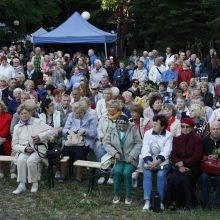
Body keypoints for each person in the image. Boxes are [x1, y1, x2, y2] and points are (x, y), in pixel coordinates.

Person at [12, 103, 55, 194]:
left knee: (31, 161)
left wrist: (40, 136)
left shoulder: (37, 122)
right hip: (26, 150)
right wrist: (24, 148)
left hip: (38, 149)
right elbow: (14, 145)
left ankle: (34, 183)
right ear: (19, 115)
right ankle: (22, 184)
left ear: (30, 113)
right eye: (22, 114)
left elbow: (52, 131)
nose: (24, 115)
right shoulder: (17, 127)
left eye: (26, 113)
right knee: (21, 159)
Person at [104, 115, 142, 205]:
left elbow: (139, 143)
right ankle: (116, 194)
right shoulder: (111, 129)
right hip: (118, 159)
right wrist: (114, 153)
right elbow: (106, 143)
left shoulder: (133, 129)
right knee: (117, 172)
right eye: (119, 126)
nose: (121, 128)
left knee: (126, 173)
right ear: (116, 125)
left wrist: (132, 155)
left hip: (131, 159)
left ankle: (129, 194)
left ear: (127, 125)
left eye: (124, 126)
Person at [169, 117, 203, 210]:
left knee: (186, 179)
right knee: (174, 178)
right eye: (183, 126)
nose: (185, 128)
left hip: (193, 166)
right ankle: (174, 202)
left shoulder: (197, 140)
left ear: (192, 128)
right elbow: (174, 155)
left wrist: (183, 163)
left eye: (187, 127)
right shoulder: (177, 139)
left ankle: (188, 204)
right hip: (179, 166)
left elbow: (197, 157)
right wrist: (179, 164)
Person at [142, 115, 173, 210]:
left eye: (156, 125)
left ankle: (160, 201)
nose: (153, 126)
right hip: (149, 161)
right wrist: (150, 162)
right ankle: (147, 201)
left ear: (162, 126)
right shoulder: (147, 133)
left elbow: (167, 151)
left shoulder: (169, 135)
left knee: (161, 175)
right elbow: (145, 149)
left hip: (162, 162)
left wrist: (157, 163)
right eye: (153, 124)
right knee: (147, 175)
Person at [62, 101, 97, 182]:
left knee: (79, 152)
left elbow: (94, 133)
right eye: (76, 113)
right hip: (72, 140)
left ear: (84, 111)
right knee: (65, 150)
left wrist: (85, 131)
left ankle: (78, 176)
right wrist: (69, 132)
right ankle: (63, 175)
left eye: (79, 113)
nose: (77, 115)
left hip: (85, 141)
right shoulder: (71, 115)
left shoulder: (91, 117)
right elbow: (64, 129)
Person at [95, 100, 124, 185]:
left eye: (111, 107)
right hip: (104, 141)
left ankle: (112, 175)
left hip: (117, 143)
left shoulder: (123, 117)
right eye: (108, 107)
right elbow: (99, 129)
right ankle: (102, 174)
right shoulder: (104, 117)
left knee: (117, 154)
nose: (108, 109)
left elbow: (124, 132)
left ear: (117, 109)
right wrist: (101, 137)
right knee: (100, 151)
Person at [200, 120, 220, 209]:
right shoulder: (204, 140)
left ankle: (218, 201)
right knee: (204, 178)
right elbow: (199, 155)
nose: (216, 131)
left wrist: (218, 156)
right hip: (207, 167)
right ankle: (204, 201)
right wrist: (207, 157)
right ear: (210, 130)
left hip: (219, 168)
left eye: (218, 129)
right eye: (214, 129)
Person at [0, 101, 13, 177]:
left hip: (6, 140)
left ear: (3, 108)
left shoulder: (8, 117)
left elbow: (5, 132)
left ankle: (1, 169)